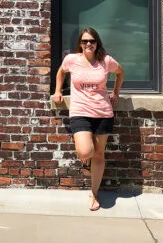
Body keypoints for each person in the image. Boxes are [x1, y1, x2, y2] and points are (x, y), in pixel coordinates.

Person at [52, 27, 124, 211]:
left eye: (92, 41)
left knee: (99, 154)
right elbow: (61, 72)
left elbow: (120, 72)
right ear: (80, 44)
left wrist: (115, 92)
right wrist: (58, 91)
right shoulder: (72, 60)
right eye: (85, 41)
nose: (88, 44)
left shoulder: (105, 61)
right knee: (85, 151)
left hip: (102, 112)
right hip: (80, 111)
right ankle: (85, 160)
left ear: (97, 42)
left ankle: (94, 193)